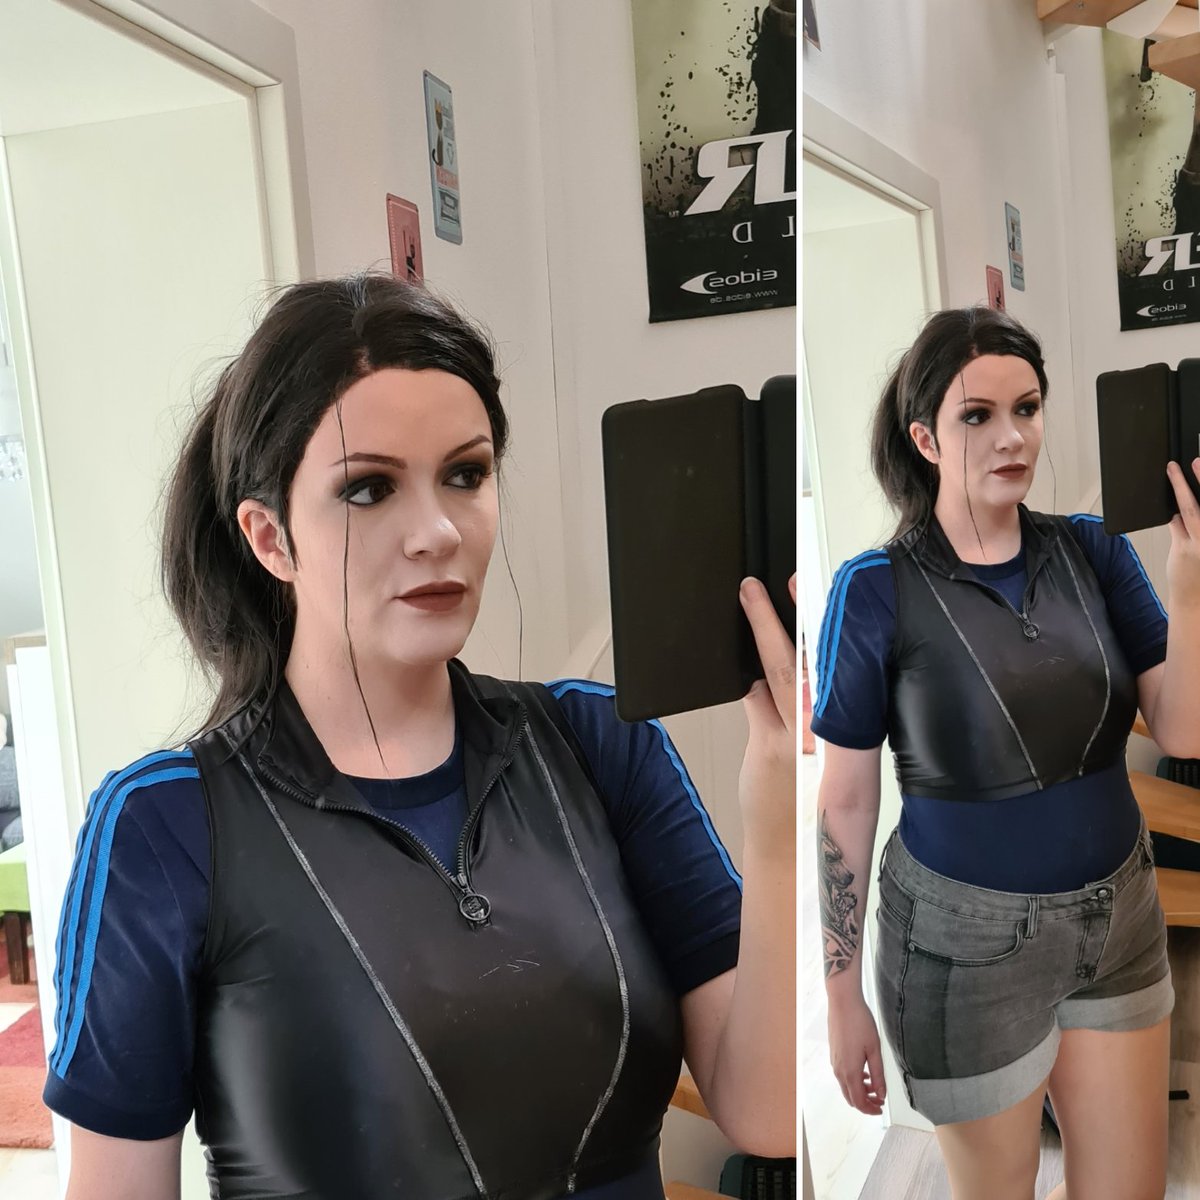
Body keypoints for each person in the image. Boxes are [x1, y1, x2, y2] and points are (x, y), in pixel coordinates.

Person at [42, 273, 796, 1199]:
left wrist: (776, 804)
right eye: (369, 489)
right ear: (271, 538)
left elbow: (765, 1111)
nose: (437, 531)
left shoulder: (600, 743)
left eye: (466, 475)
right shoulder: (163, 827)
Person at [813, 305, 1200, 1200]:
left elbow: (1183, 731)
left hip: (1121, 921)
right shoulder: (874, 590)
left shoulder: (1093, 549)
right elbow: (844, 803)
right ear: (925, 438)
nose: (1011, 436)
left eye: (1026, 408)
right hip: (963, 952)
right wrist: (839, 996)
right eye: (977, 415)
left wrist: (1189, 581)